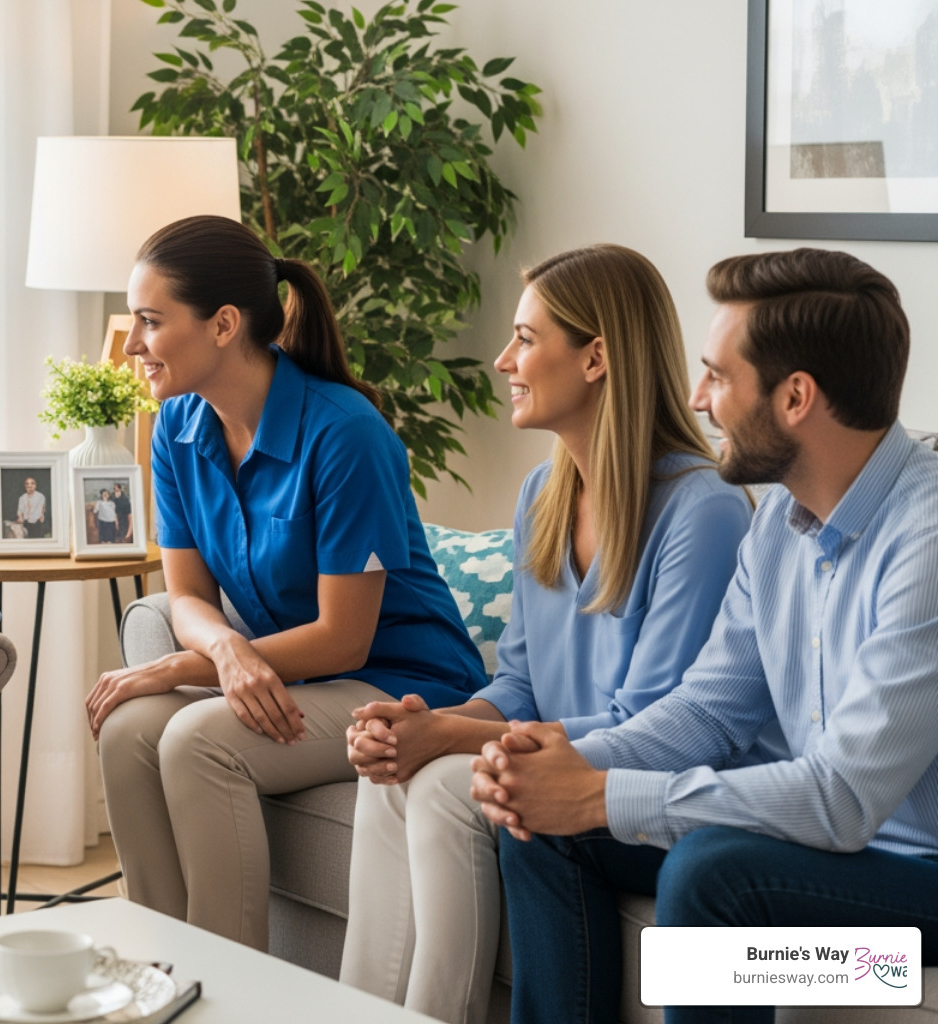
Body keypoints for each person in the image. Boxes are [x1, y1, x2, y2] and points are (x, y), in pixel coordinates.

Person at [470, 248, 938, 1024]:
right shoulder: (781, 527)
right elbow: (708, 713)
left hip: (907, 914)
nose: (696, 398)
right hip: (829, 854)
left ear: (795, 398)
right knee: (541, 827)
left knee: (711, 869)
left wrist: (604, 794)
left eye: (718, 376)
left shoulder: (924, 541)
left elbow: (843, 799)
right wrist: (556, 765)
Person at [336, 246, 752, 1024]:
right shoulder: (543, 493)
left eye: (526, 338)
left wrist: (452, 742)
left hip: (649, 786)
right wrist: (428, 727)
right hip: (560, 761)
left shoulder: (704, 511)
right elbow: (520, 682)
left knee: (444, 789)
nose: (503, 360)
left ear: (596, 356)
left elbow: (658, 727)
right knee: (390, 770)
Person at [89, 214, 485, 950]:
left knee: (194, 742)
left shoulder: (345, 433)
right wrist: (225, 653)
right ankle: (156, 974)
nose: (133, 344)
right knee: (128, 729)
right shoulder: (177, 427)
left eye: (149, 320)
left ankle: (230, 993)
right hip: (293, 674)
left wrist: (201, 663)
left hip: (396, 679)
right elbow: (188, 599)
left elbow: (344, 636)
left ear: (223, 325)